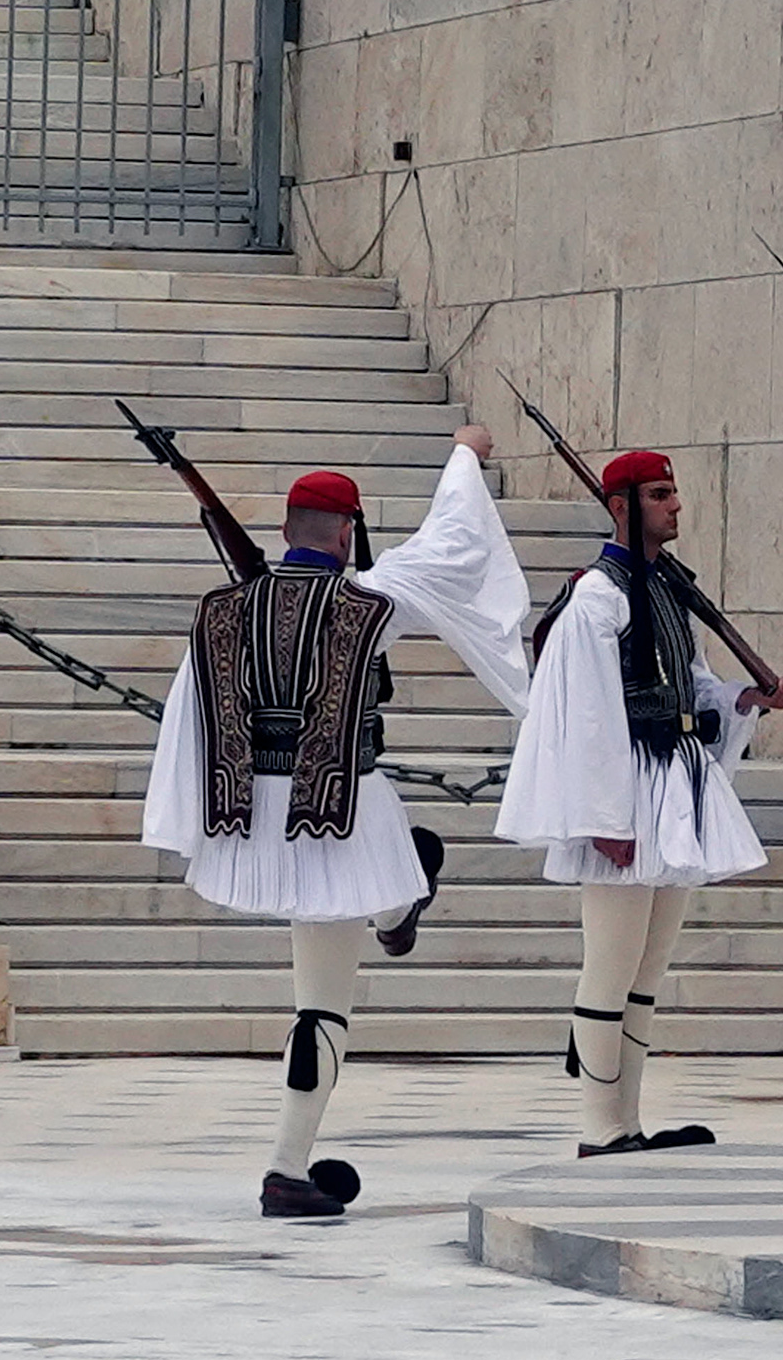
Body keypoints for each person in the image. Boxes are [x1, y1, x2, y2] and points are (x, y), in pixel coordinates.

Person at [143, 429, 531, 1218]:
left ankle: (289, 1168)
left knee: (314, 1005)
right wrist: (463, 455)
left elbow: (189, 721)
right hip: (345, 813)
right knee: (339, 978)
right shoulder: (373, 600)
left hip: (253, 816)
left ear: (285, 531)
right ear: (348, 535)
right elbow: (452, 543)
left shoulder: (220, 613)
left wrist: (194, 824)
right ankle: (403, 896)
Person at [499, 450, 783, 1155]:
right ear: (621, 505)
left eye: (675, 493)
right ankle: (599, 1129)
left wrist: (741, 701)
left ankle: (628, 1121)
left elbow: (690, 685)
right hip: (626, 792)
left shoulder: (662, 587)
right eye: (660, 495)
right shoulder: (596, 597)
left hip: (671, 784)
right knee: (611, 965)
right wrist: (603, 818)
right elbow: (586, 716)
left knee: (647, 972)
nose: (676, 506)